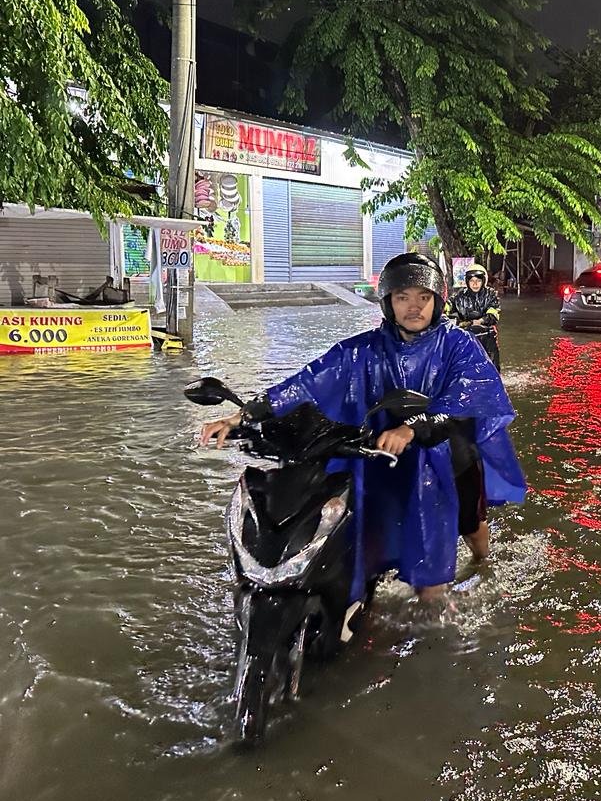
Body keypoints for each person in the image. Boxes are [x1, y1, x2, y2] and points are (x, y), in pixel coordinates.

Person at [198, 253, 525, 603]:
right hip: (381, 455)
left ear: (438, 301)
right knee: (372, 530)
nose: (413, 307)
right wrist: (247, 413)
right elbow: (310, 381)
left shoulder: (458, 344)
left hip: (449, 455)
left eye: (423, 298)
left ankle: (479, 565)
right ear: (388, 303)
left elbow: (468, 397)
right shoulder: (364, 349)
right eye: (403, 298)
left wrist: (414, 428)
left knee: (466, 530)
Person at [444, 263, 502, 372]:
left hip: (487, 337)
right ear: (467, 281)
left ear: (483, 281)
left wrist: (478, 321)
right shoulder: (459, 296)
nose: (475, 284)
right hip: (466, 337)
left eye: (478, 281)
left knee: (492, 369)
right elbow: (447, 306)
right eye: (472, 281)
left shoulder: (491, 294)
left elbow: (493, 315)